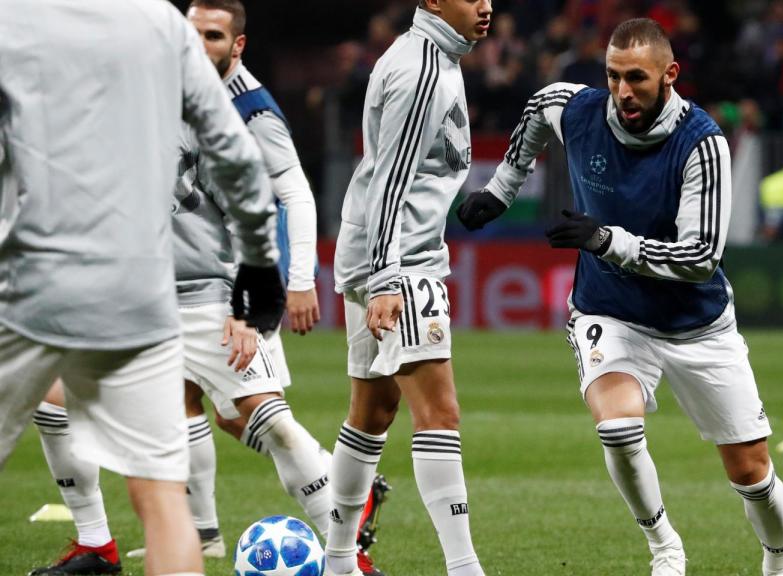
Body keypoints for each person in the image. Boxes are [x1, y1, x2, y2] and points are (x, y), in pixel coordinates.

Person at [25, 2, 384, 574]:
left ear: (237, 45)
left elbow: (283, 198)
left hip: (213, 294)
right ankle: (104, 544)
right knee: (62, 401)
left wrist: (281, 287)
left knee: (262, 418)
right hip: (146, 294)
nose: (197, 45)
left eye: (213, 36)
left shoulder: (248, 112)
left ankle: (347, 544)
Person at [457, 18, 783, 576]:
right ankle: (664, 545)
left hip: (697, 324)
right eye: (613, 76)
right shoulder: (581, 110)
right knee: (616, 427)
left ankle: (779, 560)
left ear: (670, 74)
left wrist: (606, 240)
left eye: (636, 78)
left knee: (751, 472)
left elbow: (700, 259)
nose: (622, 91)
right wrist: (501, 188)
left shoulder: (702, 144)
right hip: (610, 310)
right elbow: (540, 105)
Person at [0, 0, 284, 575]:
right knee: (161, 500)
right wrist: (259, 260)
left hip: (33, 282)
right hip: (140, 292)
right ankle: (96, 541)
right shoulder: (160, 24)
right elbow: (230, 149)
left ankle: (95, 539)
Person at [326, 1, 492, 575]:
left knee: (371, 411)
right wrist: (386, 277)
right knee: (439, 413)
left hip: (378, 256)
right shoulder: (422, 67)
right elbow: (390, 180)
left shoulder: (432, 55)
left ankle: (339, 562)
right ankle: (464, 568)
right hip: (401, 261)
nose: (486, 5)